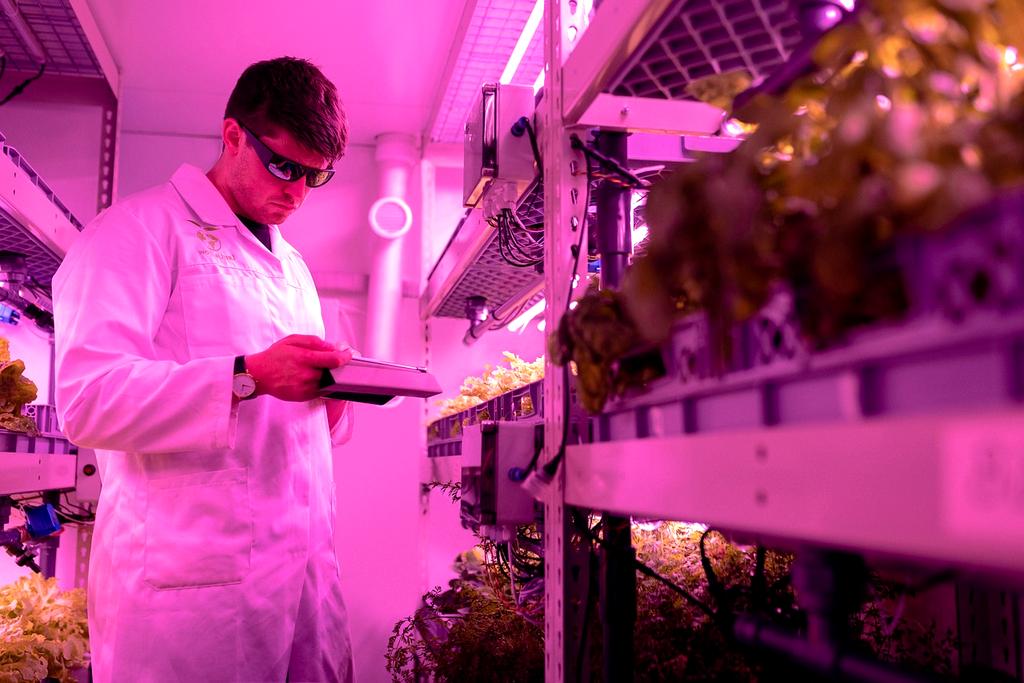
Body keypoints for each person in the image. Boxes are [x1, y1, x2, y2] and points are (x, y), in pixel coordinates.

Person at [53, 57, 356, 683]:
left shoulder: (293, 268)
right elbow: (87, 402)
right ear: (233, 135)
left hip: (300, 577)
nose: (297, 193)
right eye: (285, 167)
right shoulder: (135, 233)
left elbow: (277, 418)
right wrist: (245, 375)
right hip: (189, 593)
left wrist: (328, 403)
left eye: (314, 178)